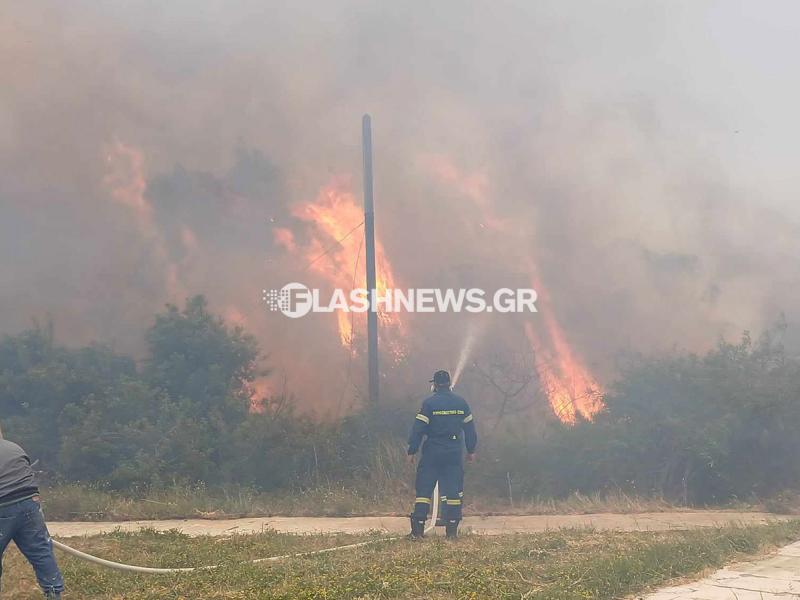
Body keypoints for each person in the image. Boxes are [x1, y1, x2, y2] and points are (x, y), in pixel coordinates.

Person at [407, 369, 477, 539]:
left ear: (435, 385)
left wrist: (412, 450)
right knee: (453, 490)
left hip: (432, 453)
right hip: (453, 453)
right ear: (449, 384)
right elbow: (470, 430)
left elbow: (418, 429)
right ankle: (451, 531)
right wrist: (471, 450)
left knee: (424, 490)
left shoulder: (429, 404)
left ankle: (418, 531)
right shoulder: (461, 403)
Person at [0, 437, 63, 598]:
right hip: (30, 503)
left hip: (3, 506)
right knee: (41, 552)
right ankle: (53, 593)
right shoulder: (15, 447)